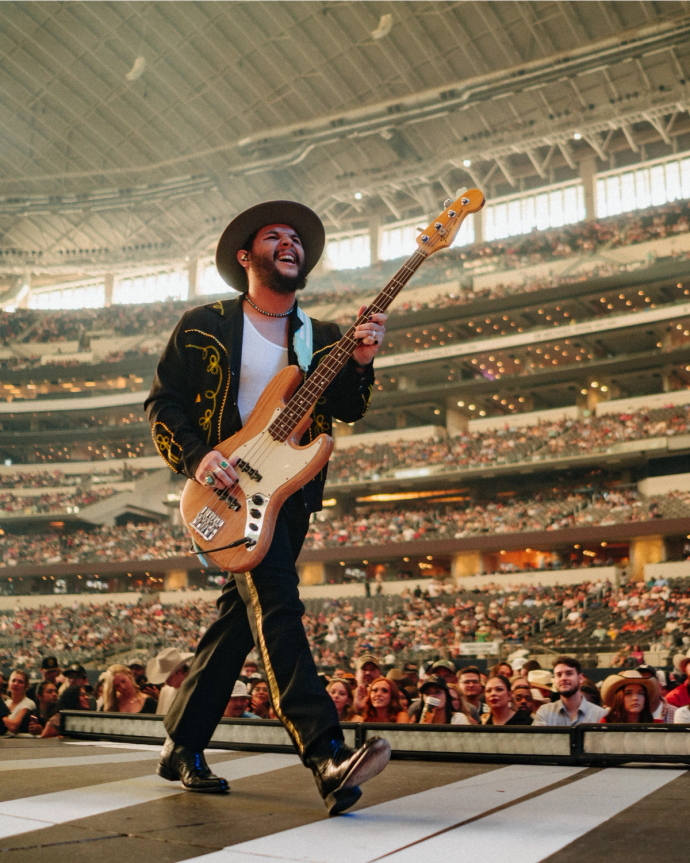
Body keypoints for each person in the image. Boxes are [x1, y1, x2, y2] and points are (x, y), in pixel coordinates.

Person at [145, 200, 390, 814]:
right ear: (245, 255)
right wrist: (199, 459)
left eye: (297, 239)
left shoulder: (324, 337)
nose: (290, 243)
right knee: (278, 604)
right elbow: (163, 402)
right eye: (274, 236)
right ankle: (326, 752)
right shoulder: (204, 323)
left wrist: (361, 362)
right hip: (227, 491)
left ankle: (181, 744)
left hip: (290, 496)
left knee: (237, 622)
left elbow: (349, 411)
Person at [532, 657, 607, 726]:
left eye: (569, 673)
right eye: (559, 675)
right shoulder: (544, 713)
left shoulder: (599, 715)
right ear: (554, 681)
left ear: (580, 678)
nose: (563, 678)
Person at [146, 648, 193, 716]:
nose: (165, 681)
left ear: (180, 671)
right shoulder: (165, 692)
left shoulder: (195, 689)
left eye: (168, 677)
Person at [2, 669, 36, 734]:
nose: (15, 684)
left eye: (20, 682)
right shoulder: (6, 702)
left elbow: (13, 727)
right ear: (9, 683)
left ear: (26, 686)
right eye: (13, 680)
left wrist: (1, 715)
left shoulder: (28, 703)